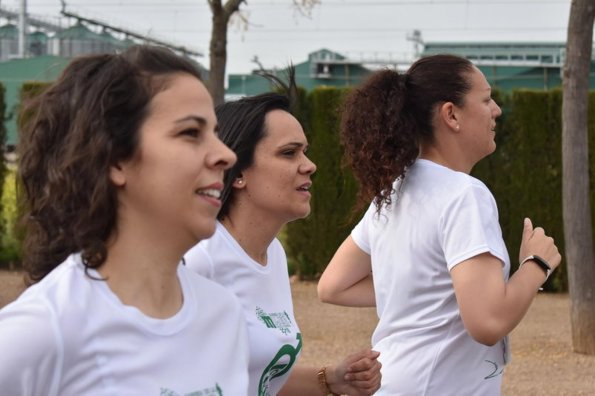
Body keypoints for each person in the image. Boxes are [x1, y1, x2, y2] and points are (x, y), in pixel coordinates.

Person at [0, 45, 249, 395]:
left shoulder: (224, 316)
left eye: (217, 134)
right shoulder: (42, 330)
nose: (226, 154)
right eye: (191, 133)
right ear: (115, 158)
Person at [317, 54, 562, 395]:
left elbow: (333, 285)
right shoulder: (464, 194)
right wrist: (537, 264)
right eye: (486, 99)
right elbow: (488, 322)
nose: (496, 110)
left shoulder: (393, 193)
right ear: (451, 114)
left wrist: (428, 290)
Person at [184, 92, 382, 396]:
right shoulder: (198, 260)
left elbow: (258, 378)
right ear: (236, 173)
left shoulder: (273, 253)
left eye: (305, 152)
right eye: (289, 153)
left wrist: (331, 379)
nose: (310, 165)